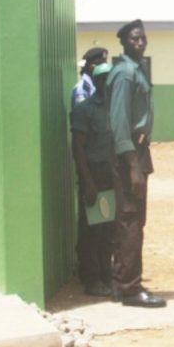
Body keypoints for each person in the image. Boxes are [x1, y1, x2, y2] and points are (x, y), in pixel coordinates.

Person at [107, 20, 166, 308]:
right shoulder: (125, 73)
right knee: (130, 219)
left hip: (138, 150)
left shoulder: (136, 70)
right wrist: (132, 165)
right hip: (129, 153)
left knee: (133, 219)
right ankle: (130, 288)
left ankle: (121, 281)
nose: (140, 43)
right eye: (134, 39)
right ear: (124, 42)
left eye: (143, 38)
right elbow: (119, 122)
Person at [69, 62, 116, 297]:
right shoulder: (84, 109)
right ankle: (91, 279)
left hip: (112, 176)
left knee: (109, 231)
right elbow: (78, 147)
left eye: (110, 78)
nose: (107, 82)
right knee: (92, 232)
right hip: (94, 176)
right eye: (103, 78)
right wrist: (87, 182)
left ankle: (107, 276)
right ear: (96, 81)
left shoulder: (116, 108)